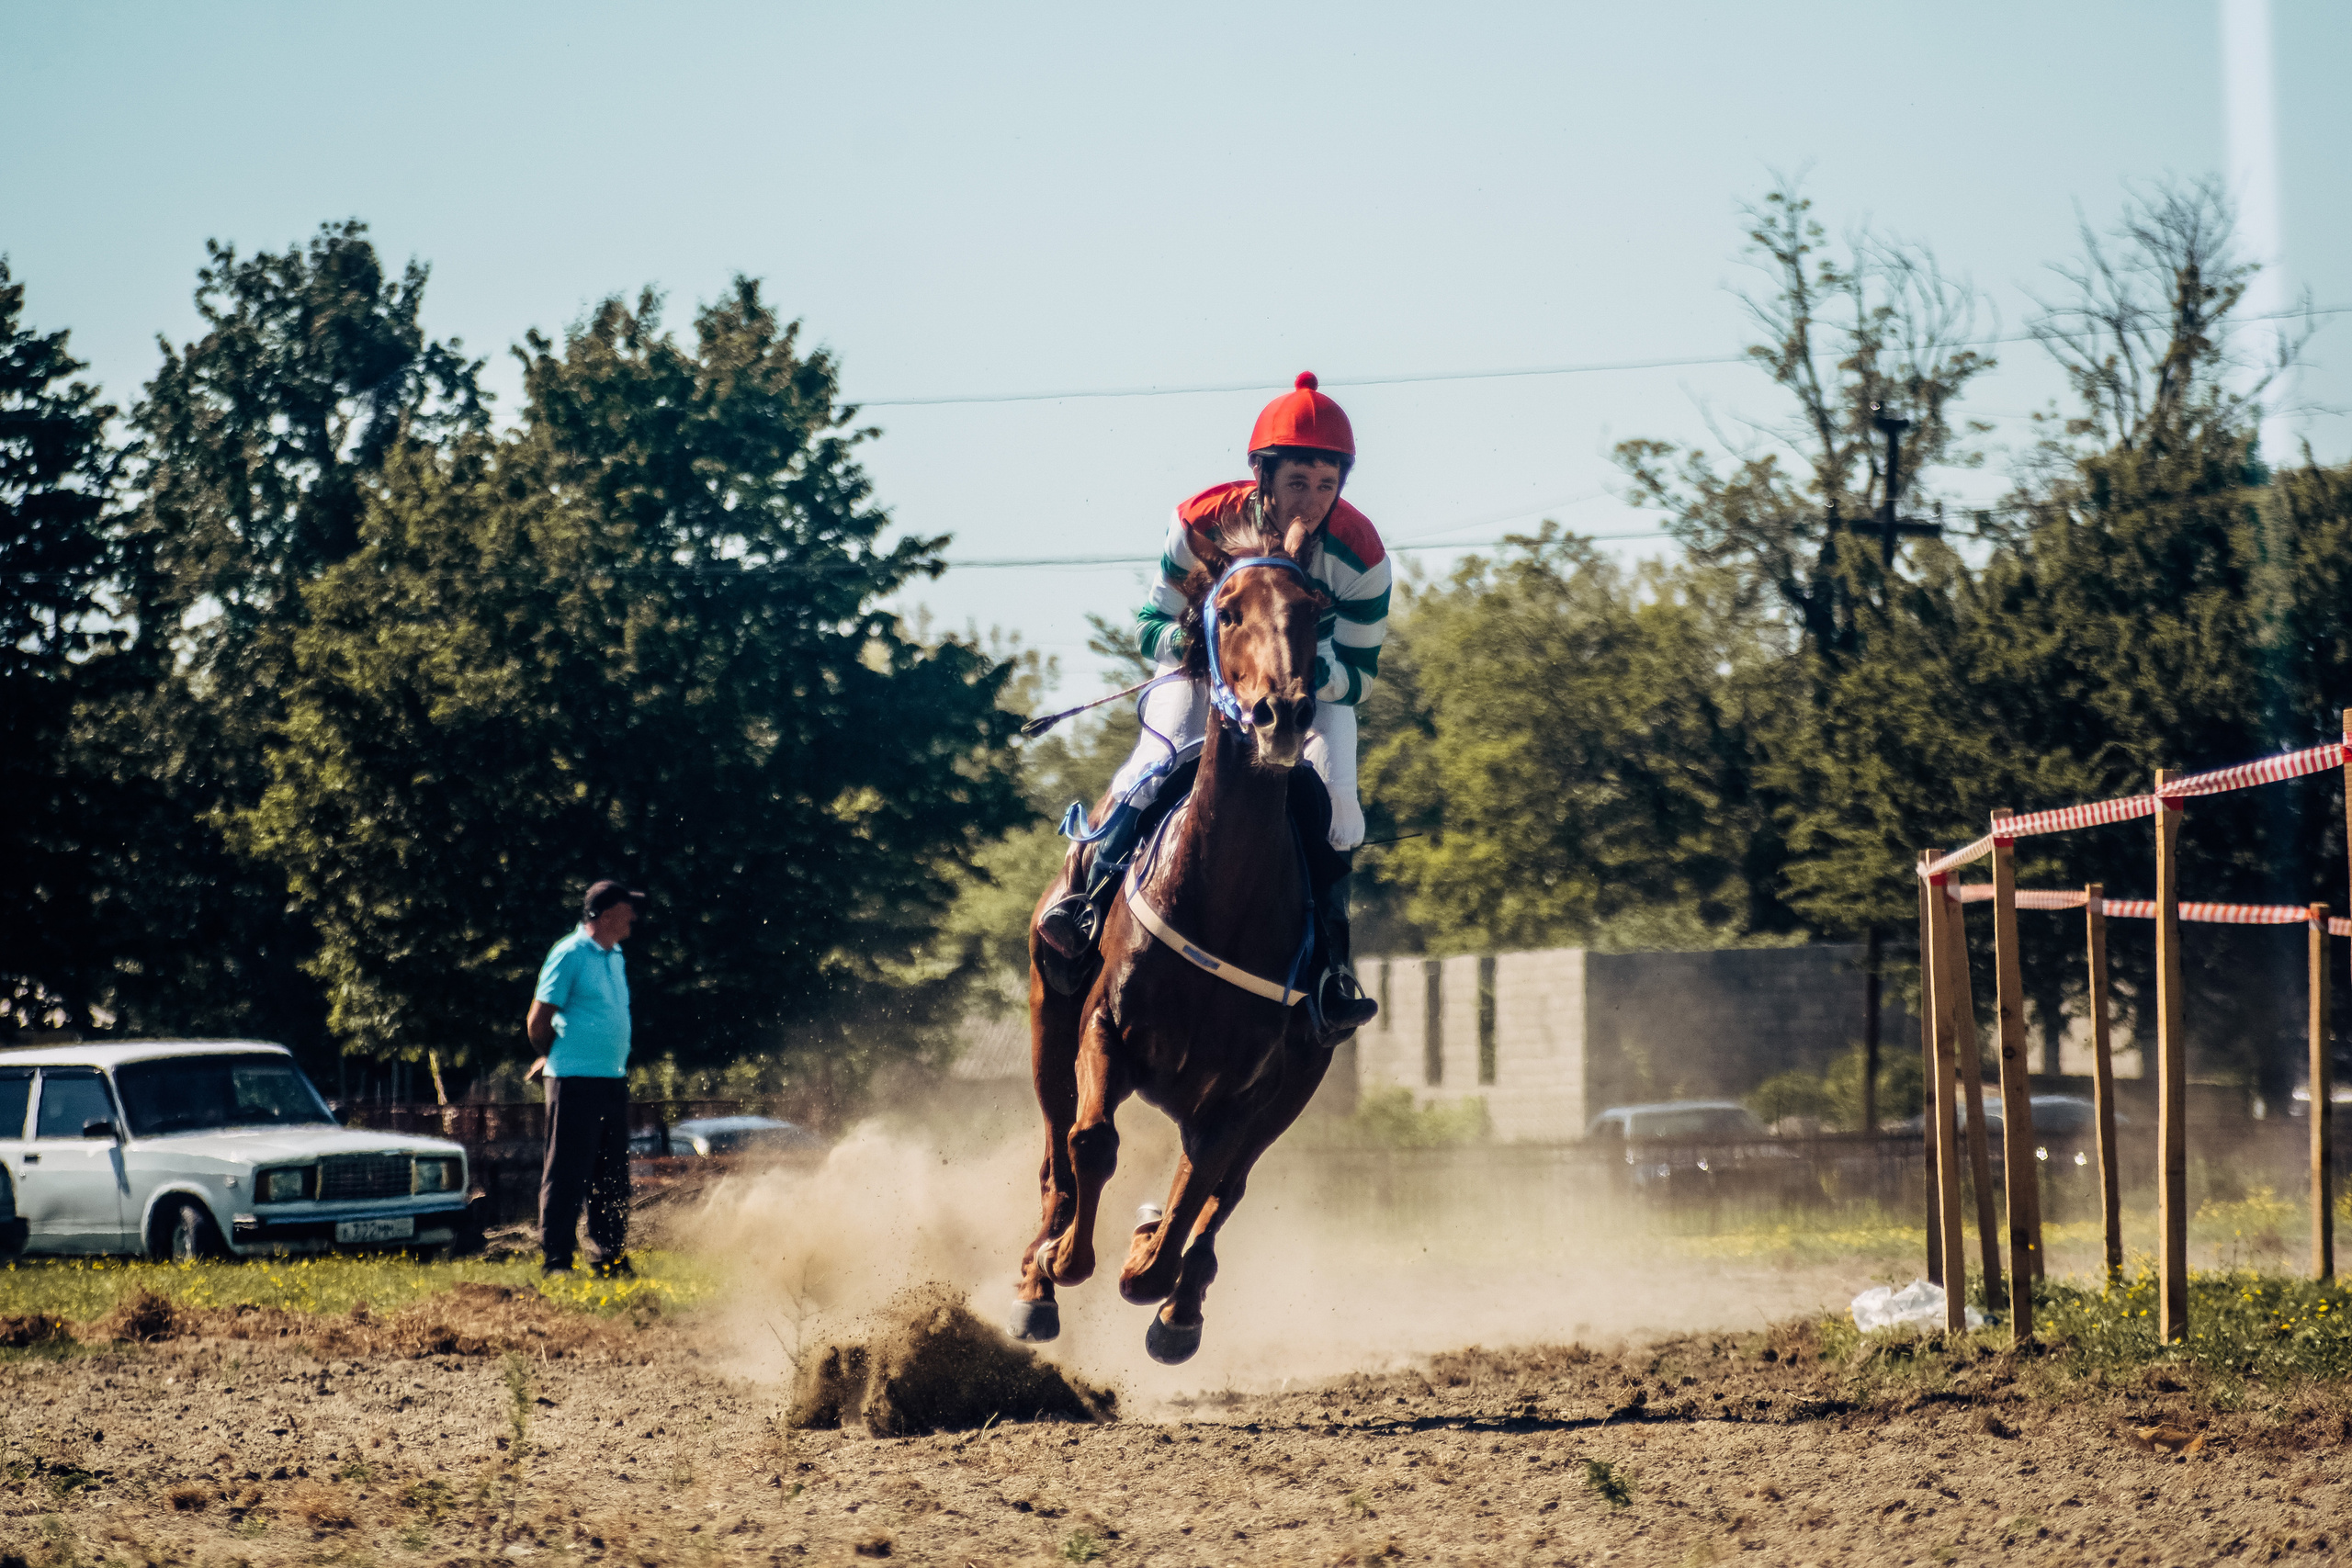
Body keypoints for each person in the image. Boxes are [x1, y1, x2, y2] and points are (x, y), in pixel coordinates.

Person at [1035, 372, 1387, 1042]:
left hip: (1308, 689)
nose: (1309, 503)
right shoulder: (1199, 519)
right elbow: (1148, 624)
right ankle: (1083, 896)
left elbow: (1363, 677)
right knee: (1159, 752)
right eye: (1296, 484)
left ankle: (1334, 971)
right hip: (1204, 668)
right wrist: (1197, 648)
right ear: (1262, 476)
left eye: (1325, 485)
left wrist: (1299, 677)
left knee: (1341, 805)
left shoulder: (1364, 556)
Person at [526, 879, 643, 1276]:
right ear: (607, 914)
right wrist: (551, 1055)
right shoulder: (569, 953)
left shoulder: (615, 956)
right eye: (628, 910)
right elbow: (538, 1020)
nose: (634, 918)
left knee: (611, 1175)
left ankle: (608, 1257)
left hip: (611, 1079)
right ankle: (556, 1260)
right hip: (574, 1080)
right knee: (567, 1173)